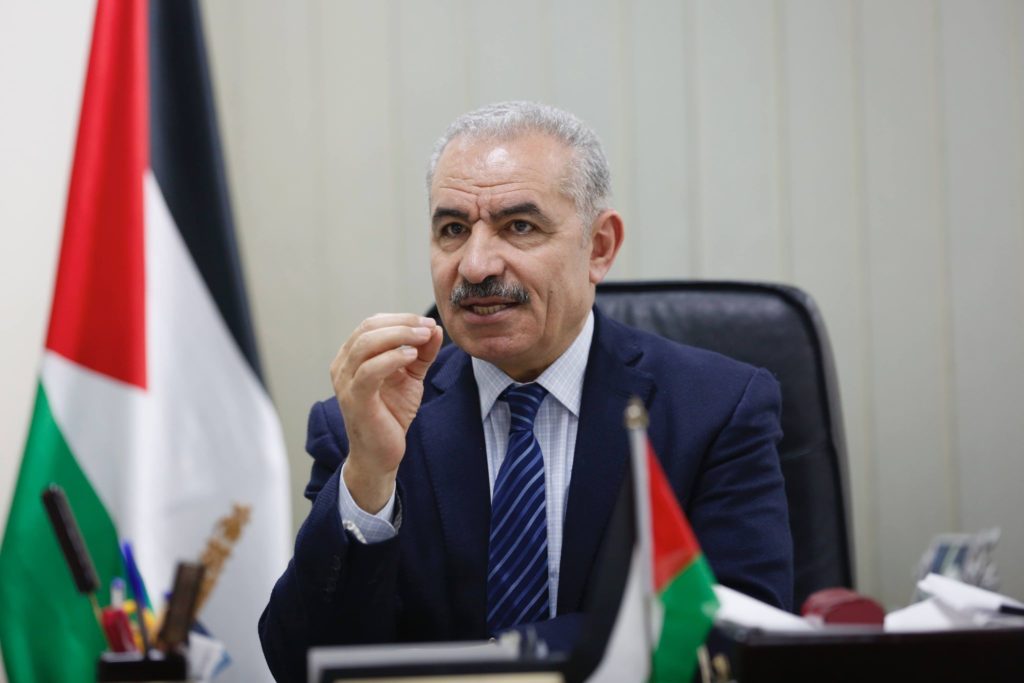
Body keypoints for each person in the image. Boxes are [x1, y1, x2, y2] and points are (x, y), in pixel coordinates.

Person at [259, 101, 792, 682]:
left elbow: (742, 635)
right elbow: (300, 663)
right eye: (453, 230)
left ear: (599, 247)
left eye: (519, 227)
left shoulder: (715, 408)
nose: (476, 265)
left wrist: (506, 664)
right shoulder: (368, 421)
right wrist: (368, 476)